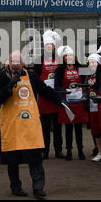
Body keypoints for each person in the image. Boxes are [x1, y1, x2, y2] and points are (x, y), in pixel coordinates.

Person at [0, 51, 66, 198]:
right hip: (12, 126)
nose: (15, 65)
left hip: (29, 125)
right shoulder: (1, 77)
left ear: (23, 63)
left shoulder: (30, 75)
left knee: (35, 159)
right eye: (13, 62)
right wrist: (9, 85)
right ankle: (16, 187)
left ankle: (38, 188)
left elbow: (44, 90)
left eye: (18, 62)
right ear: (8, 63)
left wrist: (60, 100)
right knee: (12, 160)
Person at [33, 30, 64, 159]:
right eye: (46, 46)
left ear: (54, 47)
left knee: (57, 127)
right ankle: (44, 151)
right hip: (44, 97)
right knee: (44, 127)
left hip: (56, 96)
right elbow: (35, 79)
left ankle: (58, 150)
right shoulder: (39, 60)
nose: (48, 48)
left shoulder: (60, 59)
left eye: (50, 46)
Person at [54, 46, 89, 161]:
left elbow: (86, 82)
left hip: (79, 101)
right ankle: (69, 150)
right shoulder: (59, 70)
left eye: (70, 55)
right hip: (67, 101)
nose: (69, 58)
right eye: (66, 56)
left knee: (79, 127)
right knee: (68, 127)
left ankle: (80, 150)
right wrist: (63, 92)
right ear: (63, 58)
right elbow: (57, 86)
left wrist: (84, 94)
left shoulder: (80, 67)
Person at [85, 53, 101, 162]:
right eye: (90, 62)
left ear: (98, 63)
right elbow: (85, 88)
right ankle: (100, 152)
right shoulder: (88, 74)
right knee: (95, 129)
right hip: (91, 105)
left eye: (94, 62)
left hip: (100, 104)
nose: (92, 64)